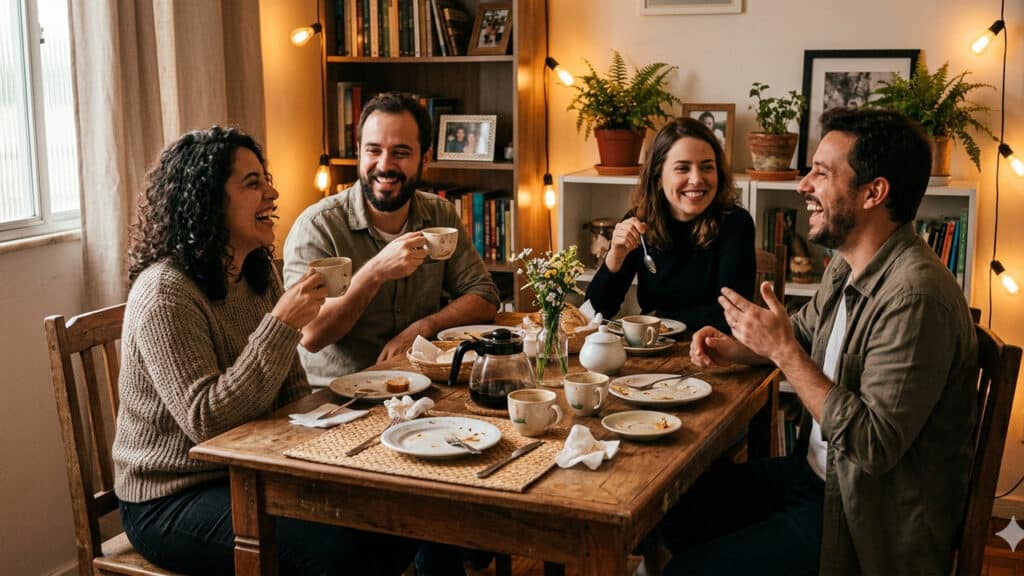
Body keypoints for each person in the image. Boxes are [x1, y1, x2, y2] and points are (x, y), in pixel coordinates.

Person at [656, 108, 977, 576]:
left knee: (685, 572)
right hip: (817, 480)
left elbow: (871, 445)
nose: (803, 185)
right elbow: (803, 333)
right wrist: (742, 346)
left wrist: (782, 352)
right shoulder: (850, 264)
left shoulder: (915, 297)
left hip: (863, 519)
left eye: (821, 173)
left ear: (874, 192)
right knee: (678, 510)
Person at [112, 126, 417, 574]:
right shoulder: (166, 292)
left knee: (396, 519)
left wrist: (345, 435)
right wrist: (281, 324)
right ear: (208, 200)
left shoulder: (256, 273)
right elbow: (206, 422)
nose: (272, 192)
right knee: (346, 552)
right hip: (171, 497)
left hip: (251, 473)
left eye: (265, 179)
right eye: (253, 183)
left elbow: (291, 389)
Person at [284, 91, 499, 379]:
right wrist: (375, 272)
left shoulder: (440, 215)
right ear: (359, 150)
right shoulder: (318, 226)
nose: (384, 165)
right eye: (373, 150)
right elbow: (310, 335)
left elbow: (484, 296)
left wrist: (423, 328)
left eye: (400, 153)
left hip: (421, 384)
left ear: (425, 158)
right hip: (336, 398)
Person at [584, 116, 755, 333]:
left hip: (715, 352)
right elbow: (596, 312)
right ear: (658, 177)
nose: (696, 179)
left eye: (707, 168)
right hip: (651, 350)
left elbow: (733, 314)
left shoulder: (736, 223)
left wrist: (659, 319)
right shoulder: (639, 221)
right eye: (683, 168)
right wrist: (615, 258)